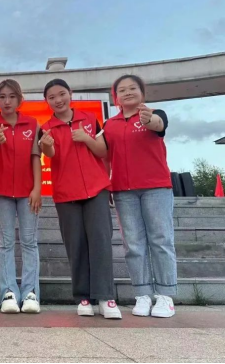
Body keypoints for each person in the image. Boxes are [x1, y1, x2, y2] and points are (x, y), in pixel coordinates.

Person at [39, 79, 122, 320]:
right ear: (47, 102)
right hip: (66, 194)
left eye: (61, 94)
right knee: (75, 245)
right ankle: (83, 297)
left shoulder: (89, 118)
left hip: (96, 189)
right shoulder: (47, 128)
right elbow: (50, 155)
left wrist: (86, 138)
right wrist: (46, 146)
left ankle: (106, 297)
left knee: (101, 242)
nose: (58, 100)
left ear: (70, 93)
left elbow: (102, 151)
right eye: (52, 97)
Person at [104, 74, 177, 318]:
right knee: (133, 244)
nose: (127, 93)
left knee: (161, 240)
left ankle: (165, 295)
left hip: (156, 187)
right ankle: (142, 294)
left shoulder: (154, 113)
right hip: (123, 191)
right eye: (122, 90)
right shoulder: (110, 124)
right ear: (116, 97)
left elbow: (158, 124)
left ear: (142, 92)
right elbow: (104, 155)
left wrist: (149, 119)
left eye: (132, 88)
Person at [0, 79, 42, 314]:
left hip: (28, 192)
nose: (7, 101)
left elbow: (35, 157)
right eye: (2, 97)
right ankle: (8, 293)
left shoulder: (32, 123)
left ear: (20, 99)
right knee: (6, 242)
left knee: (29, 242)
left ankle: (31, 293)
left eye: (12, 96)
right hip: (1, 191)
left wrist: (37, 188)